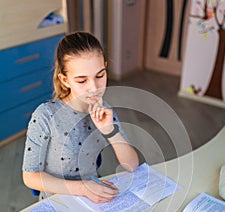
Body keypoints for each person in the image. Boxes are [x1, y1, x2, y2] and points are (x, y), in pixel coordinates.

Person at [22, 31, 139, 202]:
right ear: (65, 80)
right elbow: (30, 177)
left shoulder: (103, 110)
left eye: (100, 75)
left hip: (92, 199)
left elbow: (132, 165)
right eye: (82, 81)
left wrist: (109, 131)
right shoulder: (45, 115)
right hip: (58, 204)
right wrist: (83, 188)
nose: (94, 88)